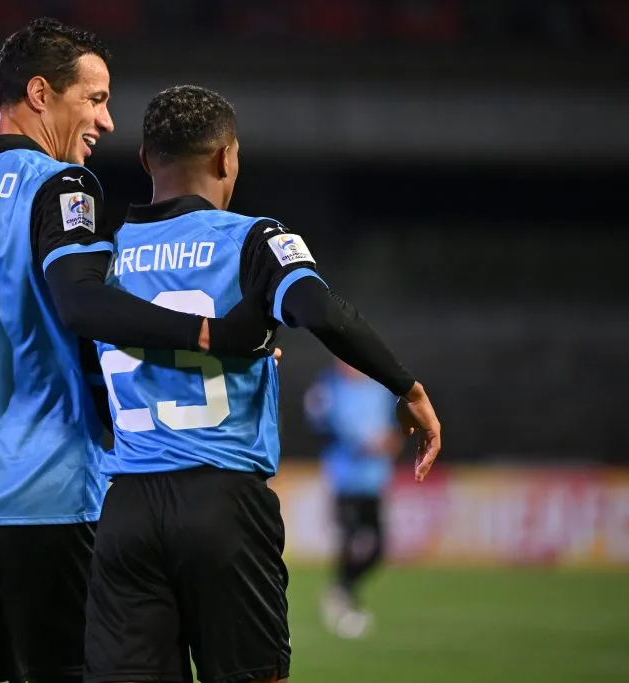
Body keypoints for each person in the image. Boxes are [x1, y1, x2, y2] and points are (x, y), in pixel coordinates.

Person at [0, 18, 274, 683]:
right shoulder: (60, 187)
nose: (108, 120)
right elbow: (85, 308)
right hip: (46, 498)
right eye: (94, 98)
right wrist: (211, 336)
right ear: (39, 92)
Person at [84, 85, 442, 683]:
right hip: (223, 502)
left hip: (124, 508)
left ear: (145, 160)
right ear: (227, 158)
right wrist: (408, 389)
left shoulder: (100, 256)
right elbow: (321, 311)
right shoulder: (252, 238)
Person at [305, 359, 403, 638]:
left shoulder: (380, 391)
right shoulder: (330, 388)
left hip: (374, 481)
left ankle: (340, 589)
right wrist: (365, 443)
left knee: (378, 548)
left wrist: (391, 441)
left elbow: (394, 429)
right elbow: (327, 424)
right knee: (349, 541)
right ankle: (344, 598)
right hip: (344, 480)